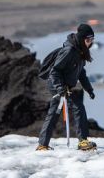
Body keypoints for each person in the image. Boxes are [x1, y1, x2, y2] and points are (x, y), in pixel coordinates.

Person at [36, 23, 98, 151]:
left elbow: (81, 73)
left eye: (92, 40)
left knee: (75, 108)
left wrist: (89, 89)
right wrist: (59, 88)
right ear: (81, 39)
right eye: (88, 40)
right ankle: (43, 145)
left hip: (66, 86)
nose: (90, 43)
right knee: (58, 112)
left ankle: (81, 141)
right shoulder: (69, 51)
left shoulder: (80, 51)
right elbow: (55, 71)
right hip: (57, 84)